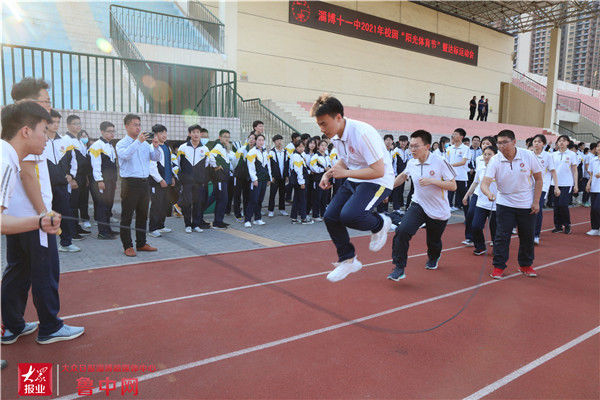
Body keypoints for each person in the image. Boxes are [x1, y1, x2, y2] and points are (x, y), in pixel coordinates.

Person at [1, 100, 84, 345]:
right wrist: (39, 220)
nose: (47, 139)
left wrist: (39, 220)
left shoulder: (8, 156)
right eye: (43, 132)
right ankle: (47, 327)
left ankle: (15, 326)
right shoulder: (6, 162)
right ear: (26, 131)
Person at [311, 94, 394, 282]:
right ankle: (348, 260)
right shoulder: (337, 135)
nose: (322, 129)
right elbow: (345, 160)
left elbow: (378, 170)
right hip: (356, 179)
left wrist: (346, 174)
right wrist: (329, 173)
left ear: (338, 117)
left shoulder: (362, 133)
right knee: (331, 216)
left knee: (350, 215)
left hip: (379, 181)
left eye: (324, 123)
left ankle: (381, 223)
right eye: (319, 125)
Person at [387, 130, 457, 280]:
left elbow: (453, 186)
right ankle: (399, 267)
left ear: (427, 146)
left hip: (438, 209)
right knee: (402, 231)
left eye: (416, 146)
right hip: (418, 204)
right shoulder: (412, 162)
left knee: (433, 241)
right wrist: (387, 190)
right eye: (411, 146)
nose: (412, 149)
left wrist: (432, 181)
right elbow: (403, 176)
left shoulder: (440, 162)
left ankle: (433, 257)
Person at [480, 130, 543, 279]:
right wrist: (489, 193)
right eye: (499, 143)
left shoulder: (527, 155)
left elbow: (539, 179)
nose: (501, 146)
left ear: (514, 142)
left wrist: (536, 201)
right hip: (504, 203)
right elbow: (485, 183)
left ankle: (525, 265)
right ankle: (498, 267)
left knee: (527, 236)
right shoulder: (495, 160)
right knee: (502, 236)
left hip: (526, 203)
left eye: (505, 142)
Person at [115, 114, 161, 256]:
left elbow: (155, 158)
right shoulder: (121, 143)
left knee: (142, 215)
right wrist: (138, 142)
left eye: (139, 124)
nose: (138, 127)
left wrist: (155, 147)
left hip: (144, 182)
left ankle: (141, 243)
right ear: (127, 126)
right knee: (127, 216)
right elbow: (126, 155)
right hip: (130, 183)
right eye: (135, 124)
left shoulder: (145, 144)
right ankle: (127, 245)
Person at [45, 110, 81, 251]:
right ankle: (46, 245)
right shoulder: (40, 140)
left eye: (58, 122)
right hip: (45, 186)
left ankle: (66, 243)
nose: (55, 125)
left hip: (61, 186)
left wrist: (71, 175)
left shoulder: (65, 141)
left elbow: (73, 160)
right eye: (52, 122)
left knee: (64, 214)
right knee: (46, 216)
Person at [465, 145, 498, 255]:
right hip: (481, 202)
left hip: (495, 204)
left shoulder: (499, 168)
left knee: (495, 229)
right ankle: (480, 247)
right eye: (485, 154)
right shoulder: (480, 167)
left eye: (490, 154)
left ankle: (498, 248)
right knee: (475, 226)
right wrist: (467, 195)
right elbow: (475, 182)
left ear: (495, 156)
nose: (487, 156)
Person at [177, 124, 210, 233]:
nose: (196, 134)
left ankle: (196, 224)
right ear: (189, 134)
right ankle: (187, 224)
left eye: (198, 132)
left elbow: (207, 164)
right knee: (187, 203)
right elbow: (178, 164)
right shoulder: (183, 148)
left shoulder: (205, 149)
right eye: (193, 132)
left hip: (199, 182)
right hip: (186, 182)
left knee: (198, 203)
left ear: (200, 134)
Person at [89, 121, 118, 240]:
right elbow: (96, 165)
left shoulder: (110, 145)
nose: (111, 134)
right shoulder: (97, 145)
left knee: (108, 205)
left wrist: (114, 181)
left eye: (113, 131)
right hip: (102, 182)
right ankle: (102, 232)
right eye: (109, 131)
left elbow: (113, 165)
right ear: (102, 131)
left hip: (111, 181)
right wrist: (99, 181)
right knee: (102, 206)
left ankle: (108, 229)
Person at [64, 114, 91, 236]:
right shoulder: (66, 140)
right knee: (72, 204)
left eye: (79, 123)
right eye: (75, 123)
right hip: (73, 177)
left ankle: (77, 226)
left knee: (79, 203)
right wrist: (71, 178)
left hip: (81, 176)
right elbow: (65, 161)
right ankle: (71, 230)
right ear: (68, 125)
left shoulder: (78, 141)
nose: (78, 126)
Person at [531, 134, 559, 245]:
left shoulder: (548, 156)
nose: (536, 143)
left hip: (542, 186)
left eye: (539, 141)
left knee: (537, 209)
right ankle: (528, 232)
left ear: (543, 144)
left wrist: (556, 186)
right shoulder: (529, 154)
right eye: (534, 141)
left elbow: (553, 171)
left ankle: (536, 235)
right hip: (528, 186)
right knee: (527, 209)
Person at [148, 124, 175, 238]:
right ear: (155, 135)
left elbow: (169, 164)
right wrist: (160, 180)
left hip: (167, 181)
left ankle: (161, 226)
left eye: (165, 132)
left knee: (164, 204)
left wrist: (172, 177)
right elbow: (152, 167)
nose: (164, 135)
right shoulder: (152, 147)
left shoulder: (167, 147)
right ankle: (152, 229)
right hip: (156, 182)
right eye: (161, 133)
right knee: (156, 205)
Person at [551, 135, 578, 234]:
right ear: (557, 143)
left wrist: (576, 185)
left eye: (564, 141)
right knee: (556, 206)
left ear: (568, 143)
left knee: (563, 204)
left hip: (567, 183)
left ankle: (567, 225)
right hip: (554, 183)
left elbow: (575, 170)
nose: (561, 142)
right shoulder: (553, 155)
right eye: (559, 141)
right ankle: (557, 226)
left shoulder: (572, 154)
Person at [245, 133, 271, 227]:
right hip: (256, 180)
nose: (261, 142)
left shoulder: (265, 152)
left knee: (260, 200)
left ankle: (258, 218)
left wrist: (269, 178)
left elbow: (268, 166)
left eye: (262, 140)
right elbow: (250, 167)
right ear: (255, 141)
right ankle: (247, 219)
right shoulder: (252, 152)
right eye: (259, 140)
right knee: (253, 200)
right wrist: (254, 179)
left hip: (264, 179)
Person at [209, 129, 233, 229]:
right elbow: (210, 156)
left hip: (224, 178)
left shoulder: (224, 147)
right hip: (220, 178)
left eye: (228, 137)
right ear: (220, 137)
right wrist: (216, 166)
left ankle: (219, 220)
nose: (227, 138)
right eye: (224, 136)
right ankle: (217, 222)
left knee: (217, 198)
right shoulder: (218, 146)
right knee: (222, 199)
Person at [289, 140, 311, 224]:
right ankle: (303, 218)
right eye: (300, 147)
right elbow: (298, 170)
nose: (302, 148)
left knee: (297, 199)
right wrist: (302, 182)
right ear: (296, 147)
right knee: (302, 200)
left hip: (298, 181)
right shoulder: (296, 156)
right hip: (299, 182)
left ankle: (294, 218)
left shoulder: (298, 155)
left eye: (303, 146)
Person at [268, 134, 289, 217]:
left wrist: (287, 176)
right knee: (272, 194)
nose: (279, 142)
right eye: (277, 140)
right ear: (274, 142)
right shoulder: (271, 152)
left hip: (283, 177)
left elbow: (287, 165)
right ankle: (271, 210)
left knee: (282, 193)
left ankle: (282, 209)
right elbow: (269, 166)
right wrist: (270, 177)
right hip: (274, 177)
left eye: (280, 140)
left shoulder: (285, 152)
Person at [310, 139, 330, 221]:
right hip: (318, 178)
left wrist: (329, 169)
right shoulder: (315, 156)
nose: (324, 147)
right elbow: (313, 167)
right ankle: (315, 215)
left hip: (326, 178)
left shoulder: (327, 156)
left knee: (324, 197)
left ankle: (323, 214)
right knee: (317, 197)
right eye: (322, 145)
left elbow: (330, 165)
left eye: (325, 146)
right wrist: (323, 169)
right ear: (318, 146)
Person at [585, 142, 600, 235]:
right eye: (598, 146)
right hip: (594, 187)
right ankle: (595, 228)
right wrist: (588, 183)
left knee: (597, 208)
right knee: (593, 209)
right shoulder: (593, 160)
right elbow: (591, 174)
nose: (599, 148)